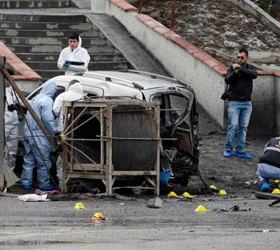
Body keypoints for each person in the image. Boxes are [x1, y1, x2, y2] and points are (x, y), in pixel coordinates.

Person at [21, 81, 57, 190]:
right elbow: (47, 119)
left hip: (28, 133)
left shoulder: (35, 98)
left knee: (29, 159)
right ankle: (44, 184)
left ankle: (26, 182)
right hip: (39, 136)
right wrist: (54, 131)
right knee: (43, 161)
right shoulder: (47, 100)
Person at [223, 48, 257, 159]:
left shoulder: (250, 68)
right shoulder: (231, 68)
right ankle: (228, 149)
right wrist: (235, 72)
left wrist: (241, 69)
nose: (239, 59)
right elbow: (227, 80)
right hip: (234, 102)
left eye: (242, 57)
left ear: (246, 58)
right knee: (233, 126)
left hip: (247, 104)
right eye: (238, 57)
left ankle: (240, 150)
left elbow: (254, 75)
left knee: (243, 127)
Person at [52, 80, 84, 188]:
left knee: (61, 160)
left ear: (70, 86)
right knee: (78, 159)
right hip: (80, 134)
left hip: (64, 131)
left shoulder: (62, 96)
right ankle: (78, 185)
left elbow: (55, 110)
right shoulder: (83, 98)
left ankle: (63, 185)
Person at [4, 69, 19, 171]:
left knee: (12, 152)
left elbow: (21, 101)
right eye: (9, 78)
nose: (11, 80)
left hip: (13, 123)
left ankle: (9, 177)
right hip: (3, 124)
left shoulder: (12, 90)